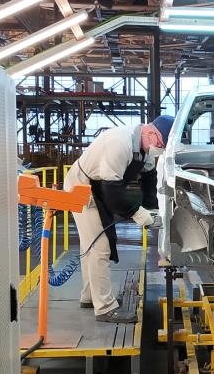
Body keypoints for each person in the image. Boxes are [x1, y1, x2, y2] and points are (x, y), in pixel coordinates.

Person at [64, 116, 175, 323]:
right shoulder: (120, 143)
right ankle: (105, 308)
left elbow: (149, 180)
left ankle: (90, 297)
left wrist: (152, 209)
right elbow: (112, 191)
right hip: (82, 188)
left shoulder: (145, 149)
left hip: (101, 188)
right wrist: (136, 212)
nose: (159, 149)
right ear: (150, 132)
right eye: (160, 144)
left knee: (92, 247)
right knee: (100, 246)